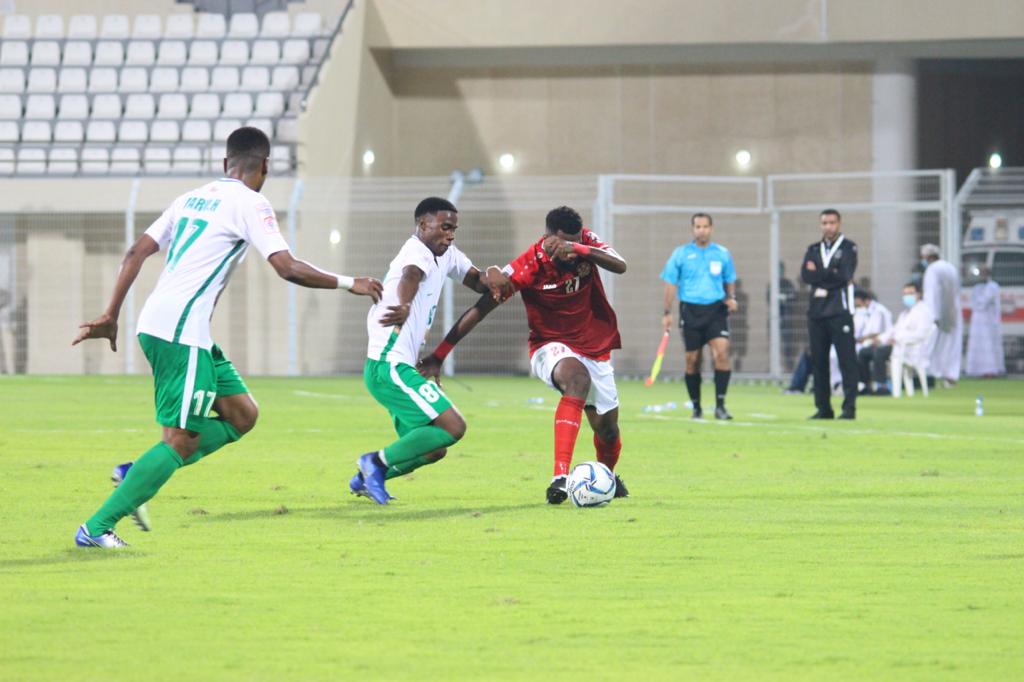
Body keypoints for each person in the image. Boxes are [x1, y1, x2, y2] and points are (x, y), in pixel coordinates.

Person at [70, 127, 383, 547]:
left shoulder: (190, 198)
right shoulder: (251, 203)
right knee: (180, 442)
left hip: (173, 325)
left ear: (225, 163)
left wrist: (111, 313)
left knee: (242, 415)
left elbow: (135, 252)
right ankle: (96, 528)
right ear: (266, 166)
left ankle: (140, 471)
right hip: (179, 332)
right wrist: (350, 283)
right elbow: (287, 267)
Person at [417, 206, 629, 505]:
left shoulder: (585, 243)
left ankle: (606, 478)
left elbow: (620, 265)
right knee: (576, 380)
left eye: (575, 242)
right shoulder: (530, 264)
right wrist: (440, 355)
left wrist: (580, 248)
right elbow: (480, 309)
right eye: (563, 244)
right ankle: (560, 478)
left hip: (595, 345)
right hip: (549, 345)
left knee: (607, 430)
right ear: (548, 238)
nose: (569, 252)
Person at [346, 197, 504, 505]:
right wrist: (404, 304)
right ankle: (373, 462)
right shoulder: (415, 251)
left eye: (454, 229)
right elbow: (411, 276)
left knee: (434, 448)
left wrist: (493, 273)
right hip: (388, 366)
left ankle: (365, 478)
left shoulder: (448, 254)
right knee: (453, 426)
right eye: (445, 227)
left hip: (396, 367)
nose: (450, 235)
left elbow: (478, 281)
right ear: (423, 224)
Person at [659, 213, 738, 420]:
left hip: (716, 311)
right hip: (691, 311)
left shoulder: (722, 253)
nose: (701, 230)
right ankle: (696, 407)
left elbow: (729, 279)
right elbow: (670, 283)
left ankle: (720, 406)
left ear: (711, 228)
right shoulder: (680, 254)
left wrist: (731, 297)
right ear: (692, 229)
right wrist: (667, 312)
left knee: (722, 354)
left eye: (705, 226)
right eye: (698, 227)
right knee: (692, 360)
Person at [800, 208, 858, 419]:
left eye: (832, 223)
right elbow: (806, 276)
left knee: (847, 361)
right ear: (820, 225)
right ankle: (823, 408)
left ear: (839, 223)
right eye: (825, 223)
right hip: (816, 313)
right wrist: (830, 273)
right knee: (819, 362)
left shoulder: (849, 247)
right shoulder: (813, 249)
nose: (828, 227)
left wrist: (821, 276)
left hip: (840, 311)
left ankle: (849, 408)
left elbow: (844, 274)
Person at [869, 282, 934, 392]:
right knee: (865, 352)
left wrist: (898, 339)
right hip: (898, 345)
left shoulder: (924, 312)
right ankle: (865, 386)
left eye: (910, 293)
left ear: (919, 294)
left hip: (911, 348)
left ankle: (882, 386)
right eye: (905, 294)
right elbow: (894, 330)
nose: (907, 296)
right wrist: (880, 339)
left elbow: (921, 334)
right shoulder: (905, 313)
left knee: (879, 352)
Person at [920, 243, 962, 386]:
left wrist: (932, 316)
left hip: (937, 314)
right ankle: (950, 376)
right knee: (951, 345)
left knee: (931, 345)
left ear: (929, 257)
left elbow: (931, 293)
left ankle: (929, 376)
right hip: (953, 312)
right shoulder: (950, 267)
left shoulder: (932, 269)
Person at [966, 266, 1005, 377]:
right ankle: (977, 370)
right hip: (977, 321)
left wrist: (978, 304)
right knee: (977, 344)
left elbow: (984, 301)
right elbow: (973, 303)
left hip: (989, 321)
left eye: (984, 273)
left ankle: (991, 370)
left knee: (989, 345)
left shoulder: (993, 286)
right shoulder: (976, 287)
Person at [853, 289, 893, 394]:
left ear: (865, 300)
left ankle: (881, 386)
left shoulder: (880, 311)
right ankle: (866, 385)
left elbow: (882, 330)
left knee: (877, 353)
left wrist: (876, 339)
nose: (856, 303)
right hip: (871, 342)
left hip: (884, 342)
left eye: (857, 300)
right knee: (862, 353)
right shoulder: (864, 311)